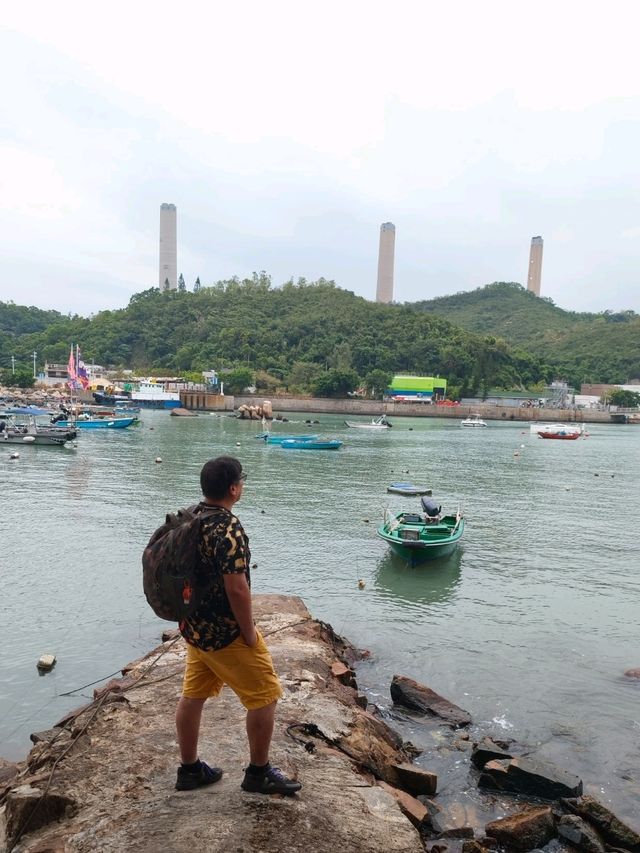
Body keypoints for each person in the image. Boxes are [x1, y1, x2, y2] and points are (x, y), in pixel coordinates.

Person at [174, 455, 302, 796]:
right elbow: (237, 587)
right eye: (241, 481)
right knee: (265, 697)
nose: (242, 486)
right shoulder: (227, 527)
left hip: (195, 629)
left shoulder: (191, 517)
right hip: (224, 633)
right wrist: (248, 633)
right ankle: (258, 773)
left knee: (193, 695)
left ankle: (189, 770)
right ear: (233, 488)